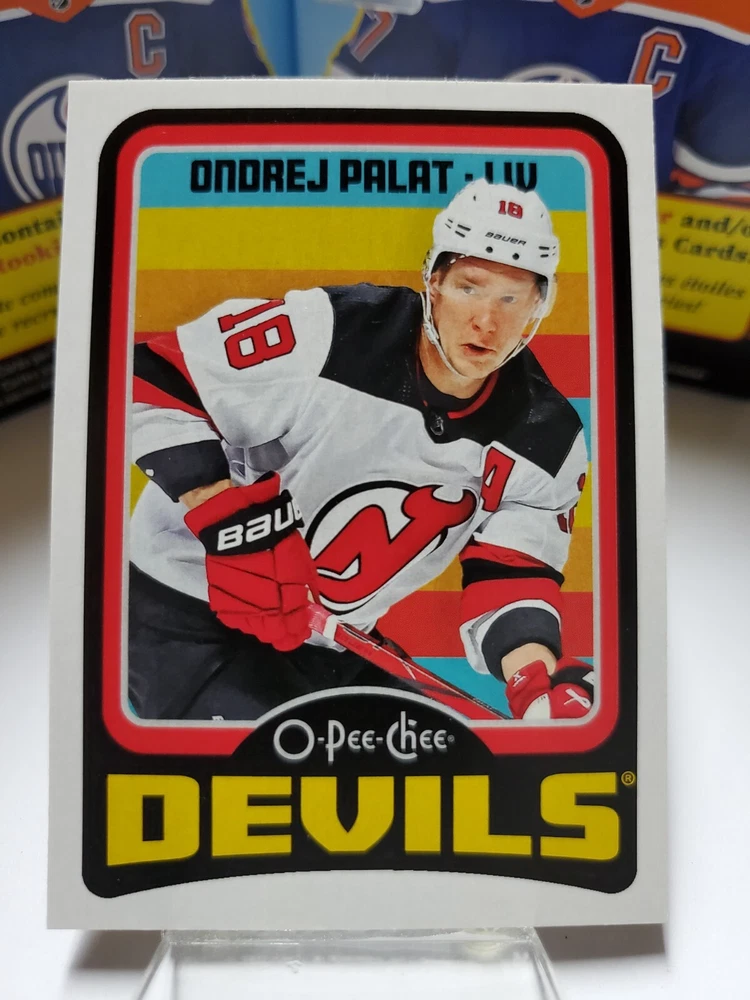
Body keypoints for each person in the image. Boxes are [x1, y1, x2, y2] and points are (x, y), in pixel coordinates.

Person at [129, 178, 594, 722]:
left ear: (540, 304)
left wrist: (535, 680)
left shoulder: (548, 439)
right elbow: (151, 378)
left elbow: (510, 574)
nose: (486, 322)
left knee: (440, 756)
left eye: (510, 299)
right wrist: (229, 523)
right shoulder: (330, 332)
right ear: (434, 280)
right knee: (280, 760)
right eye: (470, 288)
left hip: (329, 642)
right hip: (179, 611)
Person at [329, 0, 750, 202]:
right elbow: (349, 151)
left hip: (625, 290)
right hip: (437, 264)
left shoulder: (729, 19)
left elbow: (717, 218)